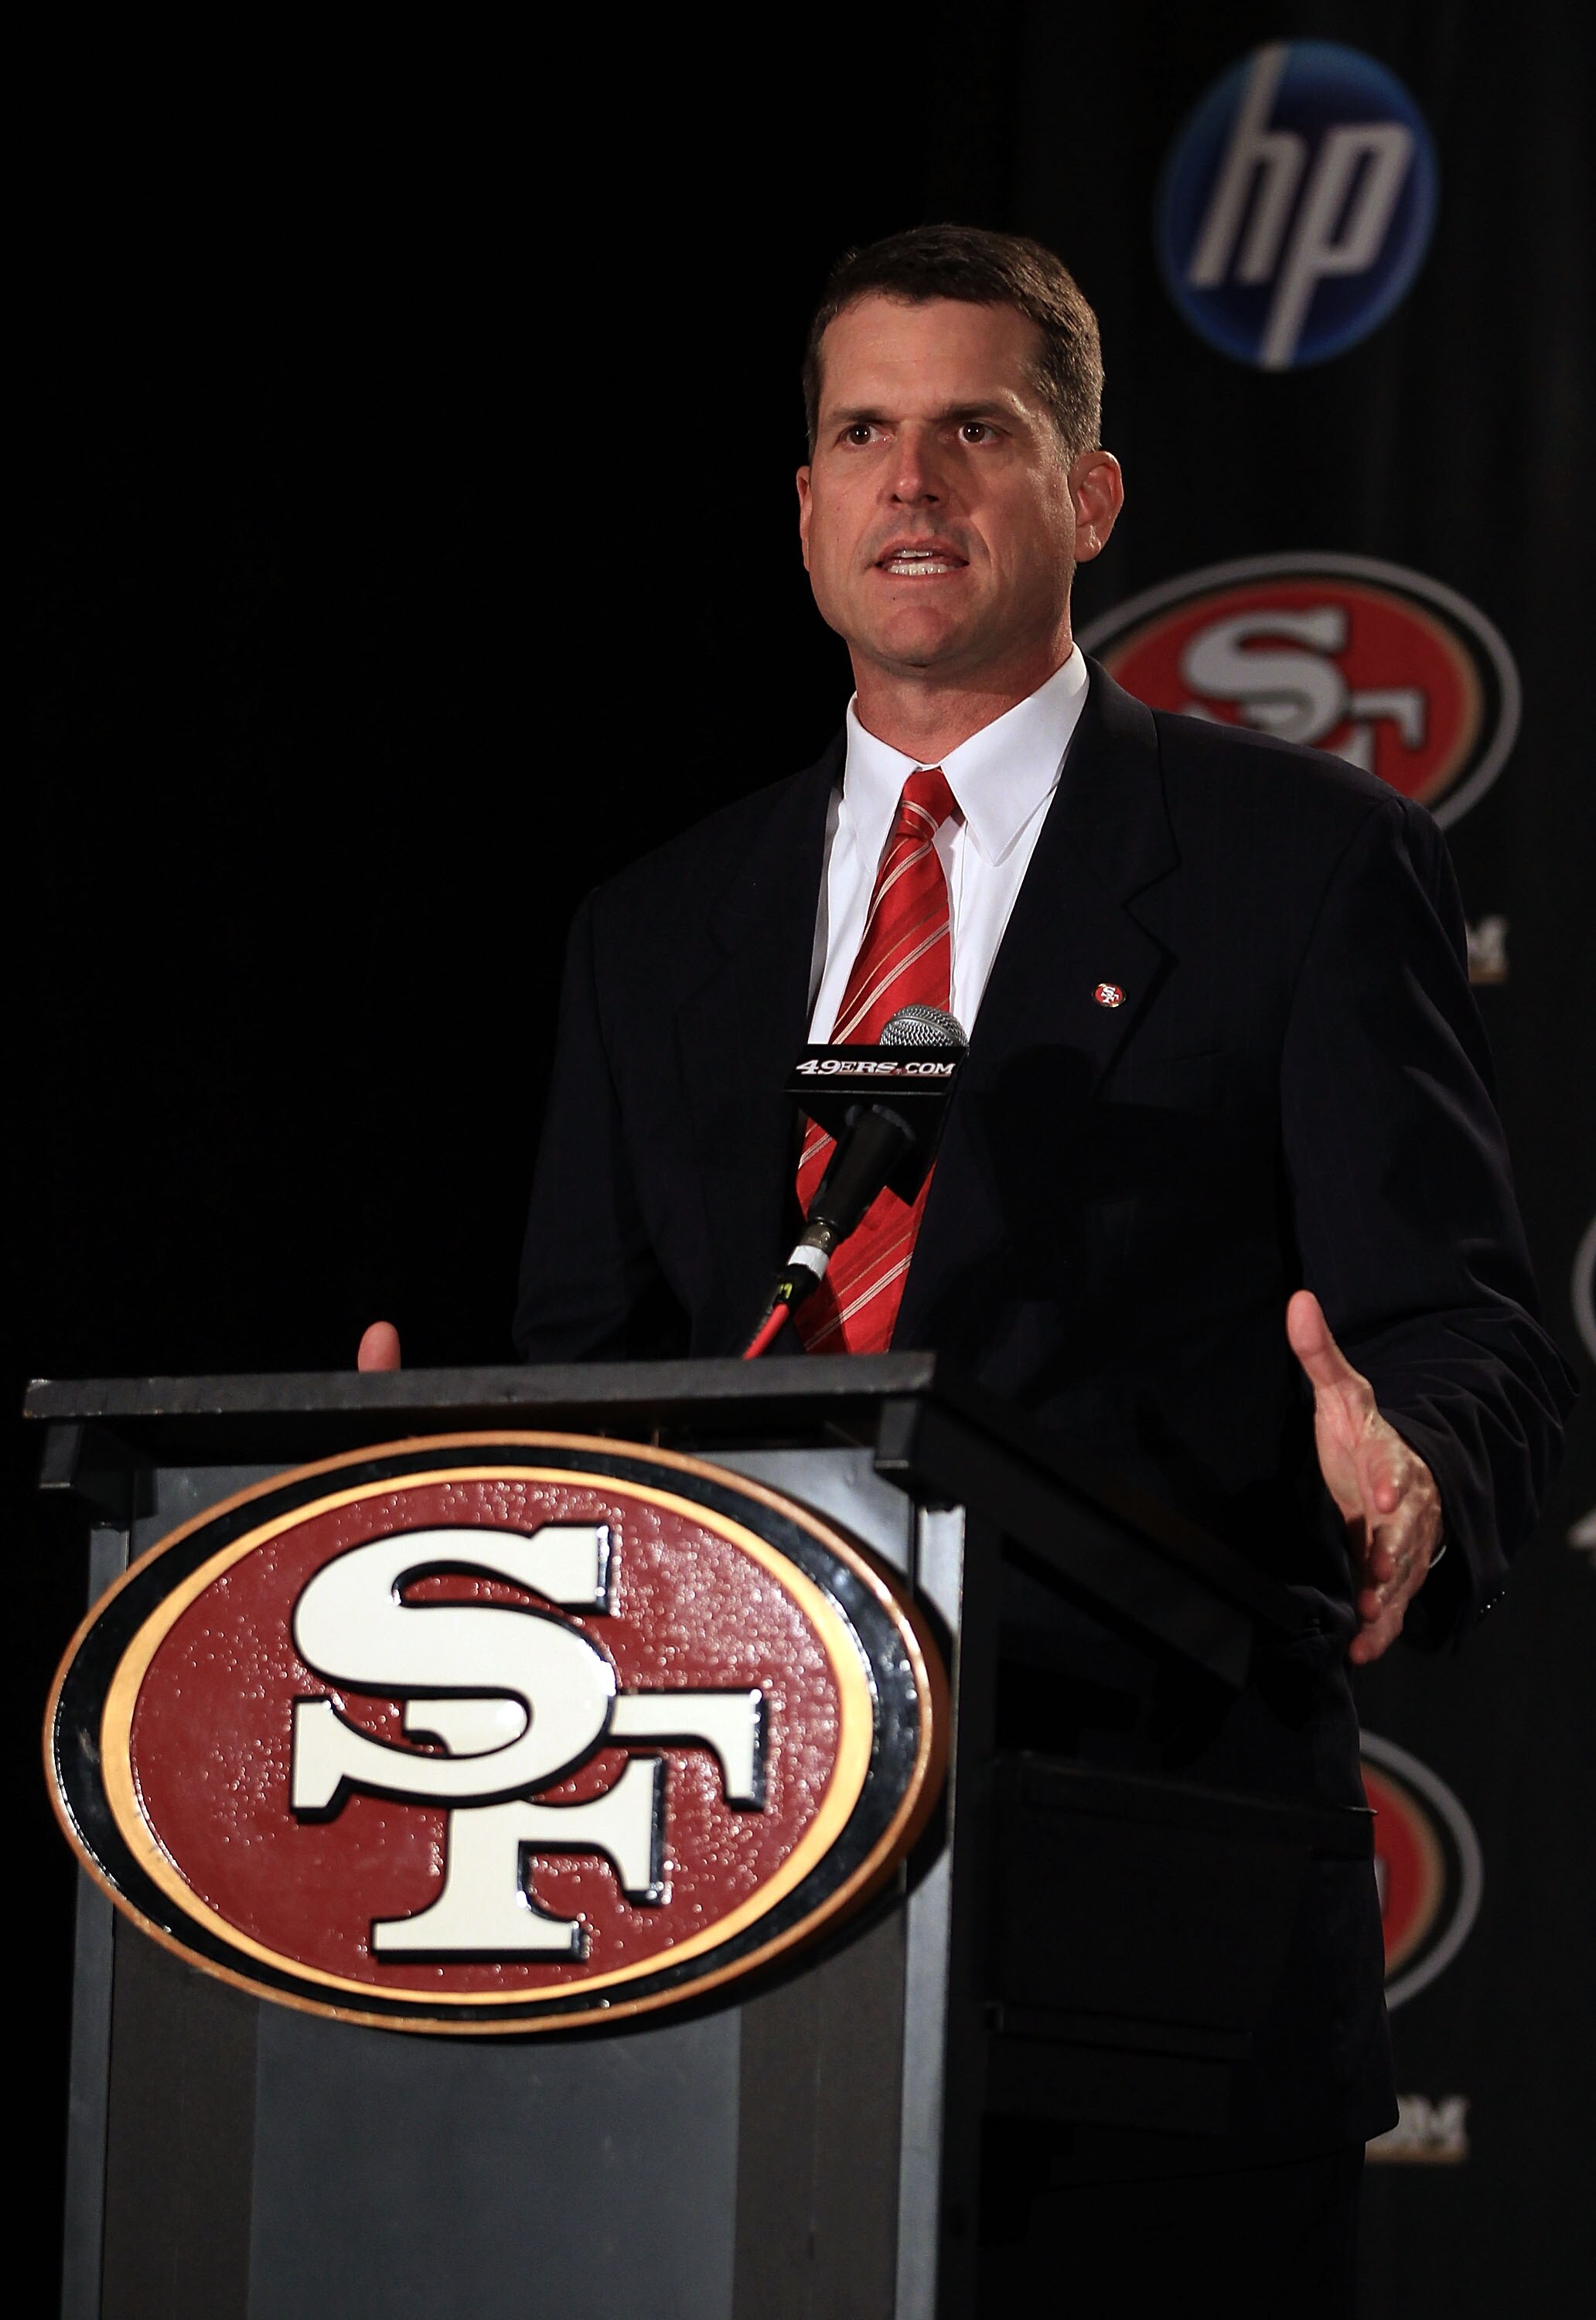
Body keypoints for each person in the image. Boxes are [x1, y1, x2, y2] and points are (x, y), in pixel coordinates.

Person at [365, 227, 1573, 2313]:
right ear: (811, 508)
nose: (911, 480)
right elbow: (596, 1371)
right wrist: (442, 1483)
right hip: (714, 1909)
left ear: (1088, 498)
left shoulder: (1305, 863)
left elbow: (1464, 1326)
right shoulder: (653, 928)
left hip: (1146, 1924)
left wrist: (1423, 1475)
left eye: (975, 430)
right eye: (863, 432)